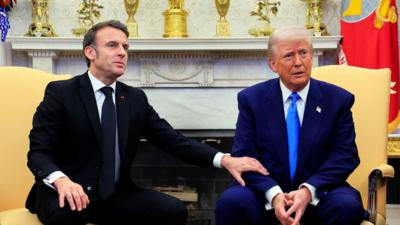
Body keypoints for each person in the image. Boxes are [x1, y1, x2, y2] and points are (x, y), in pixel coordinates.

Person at [26, 20, 268, 225]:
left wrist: (224, 159)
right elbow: (38, 152)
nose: (122, 52)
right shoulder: (61, 93)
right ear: (90, 52)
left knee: (172, 210)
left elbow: (173, 141)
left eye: (125, 47)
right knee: (63, 217)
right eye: (112, 45)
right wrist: (62, 180)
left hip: (115, 195)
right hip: (65, 192)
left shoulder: (133, 98)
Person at [215, 26, 365, 225]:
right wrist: (274, 194)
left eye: (303, 53)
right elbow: (244, 155)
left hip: (319, 191)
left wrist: (308, 190)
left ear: (311, 56)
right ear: (272, 64)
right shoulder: (251, 100)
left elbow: (345, 155)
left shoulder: (338, 100)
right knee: (231, 202)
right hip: (265, 192)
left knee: (347, 206)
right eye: (288, 56)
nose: (298, 62)